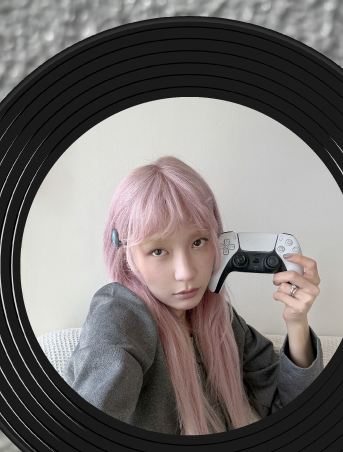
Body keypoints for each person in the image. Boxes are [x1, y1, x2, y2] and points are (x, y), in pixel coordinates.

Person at [64, 156, 324, 435]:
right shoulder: (120, 313)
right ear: (127, 254)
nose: (186, 272)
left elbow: (294, 414)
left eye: (198, 242)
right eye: (158, 251)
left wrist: (297, 322)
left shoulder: (223, 322)